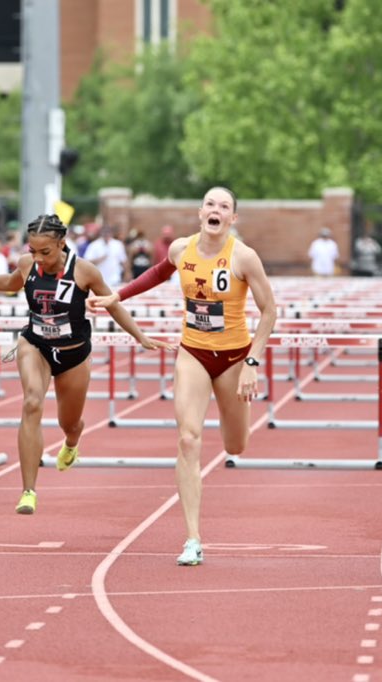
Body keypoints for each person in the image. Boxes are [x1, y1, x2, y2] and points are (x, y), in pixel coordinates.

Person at [87, 187, 277, 566]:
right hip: (192, 353)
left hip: (235, 357)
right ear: (200, 212)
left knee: (235, 445)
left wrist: (252, 364)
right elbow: (158, 273)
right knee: (188, 440)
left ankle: (234, 419)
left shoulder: (244, 257)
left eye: (224, 206)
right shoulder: (181, 249)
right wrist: (117, 297)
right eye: (210, 203)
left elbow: (269, 310)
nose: (216, 210)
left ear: (232, 219)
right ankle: (192, 538)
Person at [0, 214, 171, 514]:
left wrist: (141, 337)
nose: (38, 259)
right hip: (36, 344)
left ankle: (72, 443)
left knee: (69, 423)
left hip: (73, 354)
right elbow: (10, 281)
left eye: (45, 252)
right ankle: (28, 491)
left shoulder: (85, 271)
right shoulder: (27, 264)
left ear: (61, 244)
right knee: (32, 402)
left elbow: (113, 303)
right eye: (33, 251)